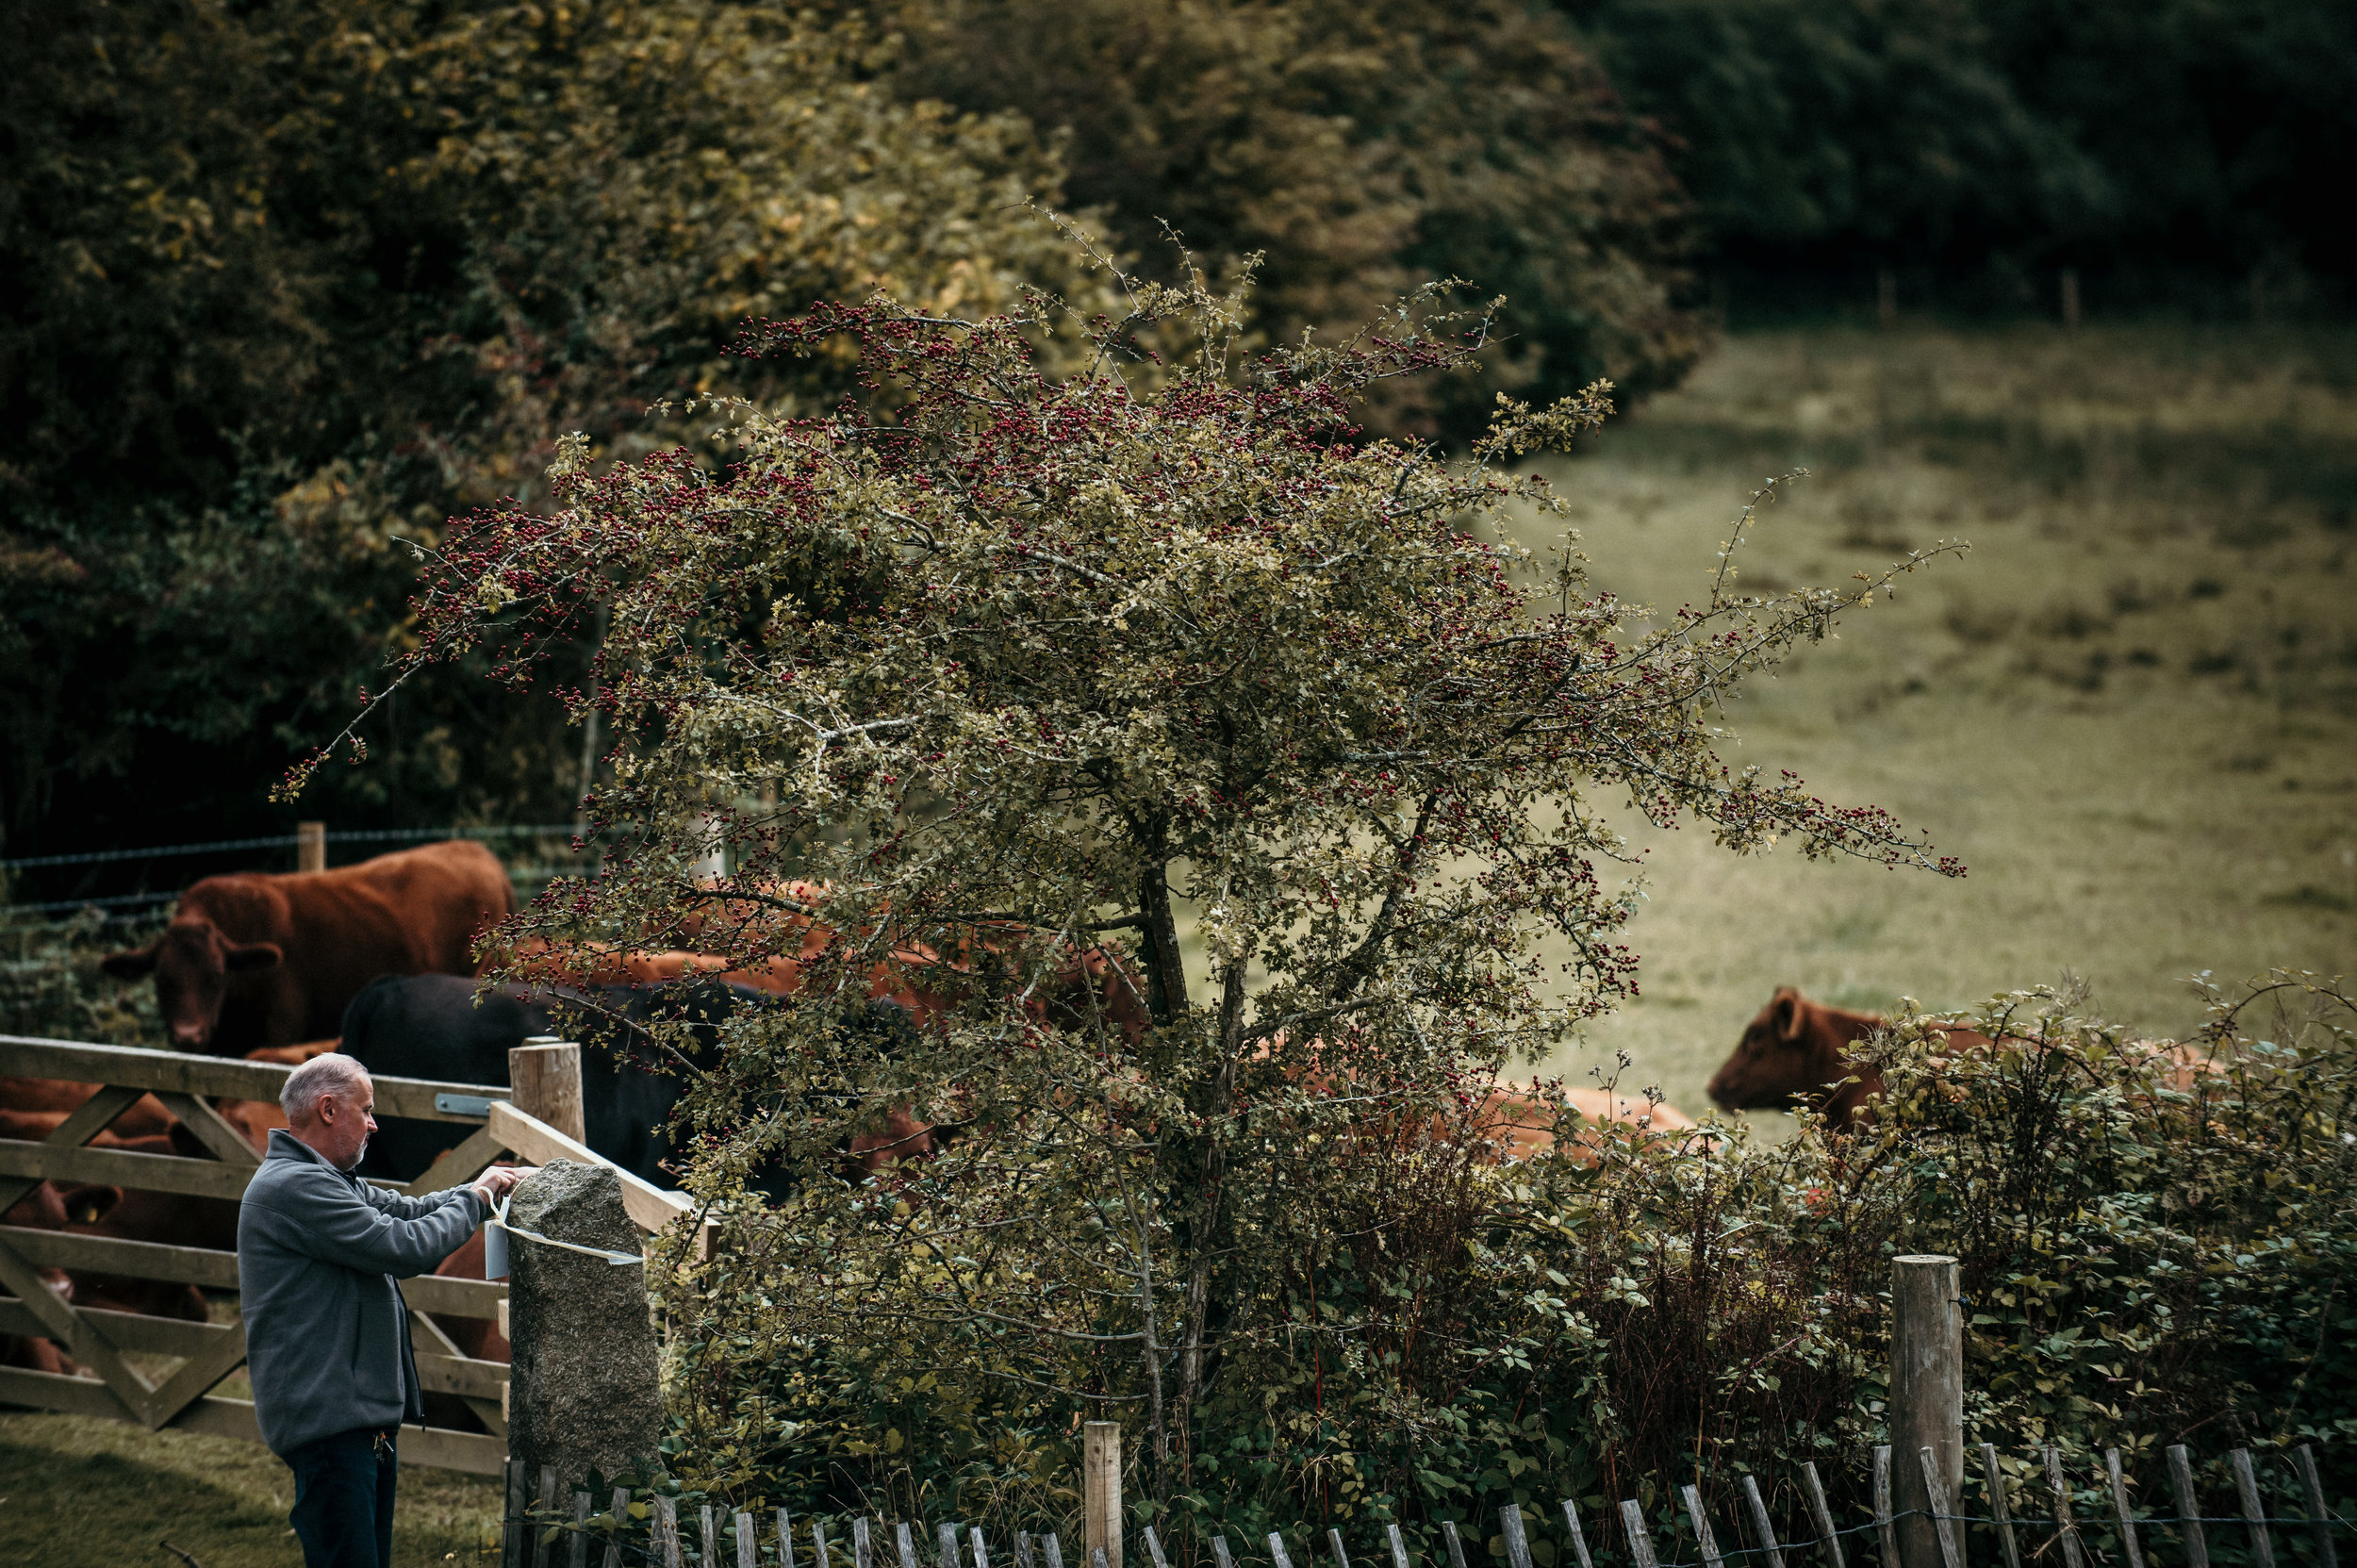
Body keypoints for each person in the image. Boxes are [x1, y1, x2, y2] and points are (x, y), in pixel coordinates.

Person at [238, 1050, 531, 1568]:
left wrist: (475, 1187)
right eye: (366, 1109)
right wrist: (477, 1199)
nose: (374, 1124)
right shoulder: (295, 1187)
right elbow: (404, 1246)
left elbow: (408, 1209)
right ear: (329, 1110)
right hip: (328, 1419)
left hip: (354, 1415)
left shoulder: (328, 1179)